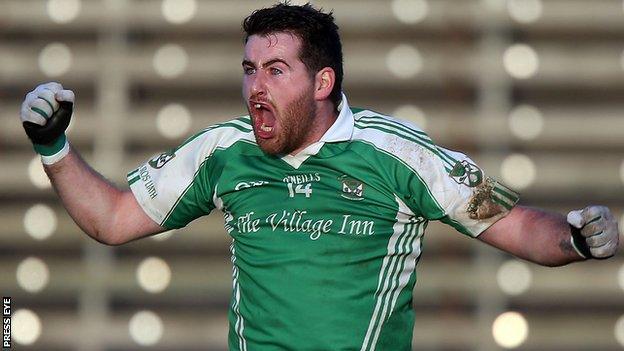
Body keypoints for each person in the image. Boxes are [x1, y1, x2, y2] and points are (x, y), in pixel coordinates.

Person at [19, 3, 619, 351]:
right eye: (249, 69)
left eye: (276, 70)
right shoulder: (223, 150)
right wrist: (53, 145)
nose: (256, 87)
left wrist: (572, 239)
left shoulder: (395, 153)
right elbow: (112, 220)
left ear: (323, 83)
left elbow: (514, 226)